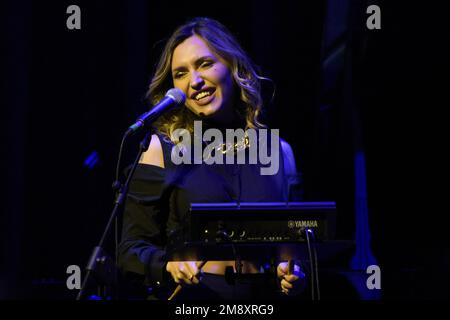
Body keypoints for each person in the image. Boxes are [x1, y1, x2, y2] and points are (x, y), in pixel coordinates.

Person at [118, 17, 305, 300]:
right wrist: (169, 264)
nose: (194, 81)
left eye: (205, 64)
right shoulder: (160, 148)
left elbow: (299, 244)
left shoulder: (279, 151)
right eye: (180, 73)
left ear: (232, 66)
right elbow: (130, 248)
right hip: (193, 298)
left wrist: (294, 272)